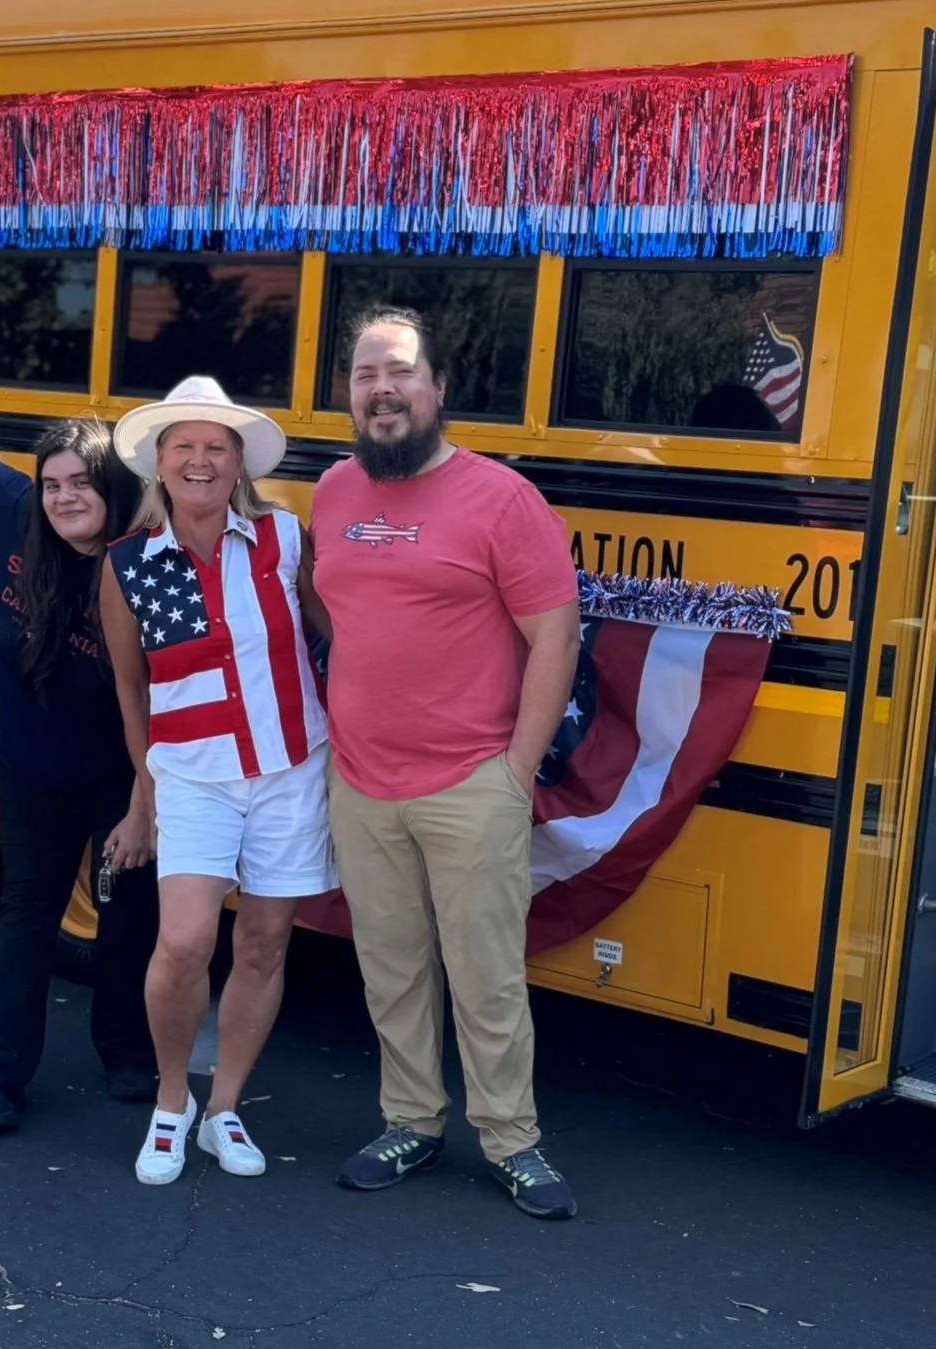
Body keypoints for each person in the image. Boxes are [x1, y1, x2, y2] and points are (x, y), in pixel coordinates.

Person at [311, 307, 584, 1221]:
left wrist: (516, 770)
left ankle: (512, 1139)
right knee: (389, 968)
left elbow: (555, 636)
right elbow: (334, 611)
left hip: (472, 780)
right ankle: (411, 1123)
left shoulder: (503, 499)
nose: (381, 391)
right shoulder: (336, 492)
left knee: (486, 975)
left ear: (438, 388)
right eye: (363, 376)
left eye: (399, 373)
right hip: (360, 780)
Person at [99, 375, 334, 1185]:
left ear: (239, 463)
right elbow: (131, 689)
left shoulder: (284, 538)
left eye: (216, 446)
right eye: (183, 447)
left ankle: (224, 1105)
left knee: (264, 943)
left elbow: (333, 632)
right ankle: (173, 1100)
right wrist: (148, 784)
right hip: (193, 776)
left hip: (291, 768)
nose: (200, 460)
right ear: (158, 465)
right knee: (185, 941)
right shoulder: (128, 564)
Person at [0, 418, 160, 1135]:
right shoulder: (10, 510)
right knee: (25, 912)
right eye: (52, 484)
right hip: (33, 768)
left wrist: (144, 804)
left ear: (112, 488)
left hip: (125, 776)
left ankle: (127, 1052)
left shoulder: (144, 559)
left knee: (128, 915)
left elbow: (162, 693)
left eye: (81, 484)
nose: (63, 498)